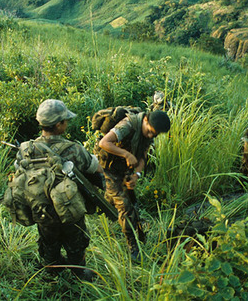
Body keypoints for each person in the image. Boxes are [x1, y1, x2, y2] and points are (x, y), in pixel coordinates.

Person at [29, 99, 102, 281]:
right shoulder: (74, 150)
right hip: (69, 208)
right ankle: (78, 272)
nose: (67, 123)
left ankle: (52, 269)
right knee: (76, 241)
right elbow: (96, 168)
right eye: (65, 120)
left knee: (48, 240)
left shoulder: (27, 149)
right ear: (59, 124)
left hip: (42, 210)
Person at [97, 109, 171, 260]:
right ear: (145, 120)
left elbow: (143, 155)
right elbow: (103, 143)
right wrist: (126, 154)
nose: (150, 136)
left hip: (125, 168)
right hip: (110, 168)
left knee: (130, 201)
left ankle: (108, 202)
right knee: (125, 206)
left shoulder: (149, 133)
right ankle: (133, 246)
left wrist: (136, 175)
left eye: (154, 135)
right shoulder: (128, 125)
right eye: (149, 132)